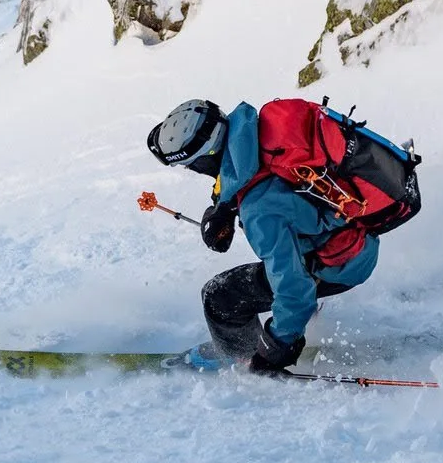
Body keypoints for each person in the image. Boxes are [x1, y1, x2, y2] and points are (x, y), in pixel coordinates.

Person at [146, 98, 382, 374]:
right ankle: (250, 341)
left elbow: (293, 288)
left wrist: (276, 349)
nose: (191, 170)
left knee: (219, 297)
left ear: (207, 157)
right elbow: (251, 172)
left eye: (191, 164)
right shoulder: (257, 132)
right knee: (275, 254)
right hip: (355, 240)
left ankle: (241, 354)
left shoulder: (260, 210)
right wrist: (225, 205)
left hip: (340, 264)